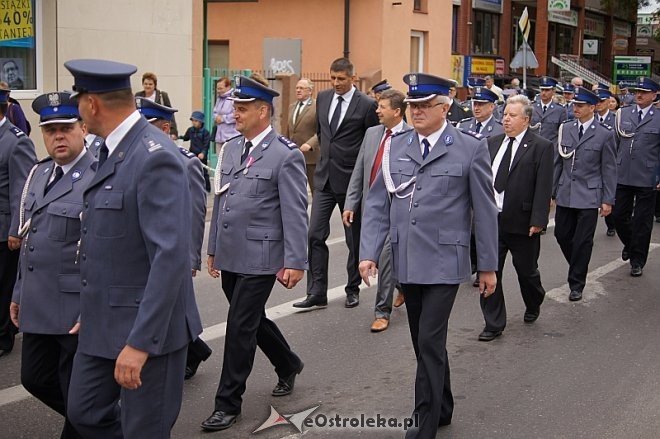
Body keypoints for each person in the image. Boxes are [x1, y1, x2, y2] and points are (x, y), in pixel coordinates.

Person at [63, 59, 202, 438]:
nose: (78, 112)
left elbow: (170, 257)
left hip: (148, 328)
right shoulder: (112, 150)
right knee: (84, 410)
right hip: (102, 321)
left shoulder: (155, 157)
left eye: (78, 102)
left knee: (145, 429)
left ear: (91, 104)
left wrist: (140, 344)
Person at [359, 73, 498, 438]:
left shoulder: (469, 147)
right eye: (412, 106)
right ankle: (444, 405)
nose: (416, 112)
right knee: (424, 341)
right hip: (407, 260)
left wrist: (487, 266)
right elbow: (377, 203)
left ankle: (423, 424)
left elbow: (484, 210)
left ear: (445, 106)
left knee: (429, 340)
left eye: (424, 105)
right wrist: (368, 252)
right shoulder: (396, 145)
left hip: (445, 262)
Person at [202, 75, 308, 432]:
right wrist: (213, 246)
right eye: (235, 107)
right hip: (232, 252)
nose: (235, 113)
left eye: (242, 108)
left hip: (262, 256)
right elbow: (223, 201)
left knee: (239, 326)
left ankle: (228, 403)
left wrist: (295, 260)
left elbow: (294, 211)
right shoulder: (231, 149)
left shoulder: (284, 154)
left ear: (263, 111)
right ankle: (288, 362)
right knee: (249, 319)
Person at [9, 91, 94, 439]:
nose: (57, 136)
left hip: (75, 307)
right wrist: (18, 292)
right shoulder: (40, 174)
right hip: (39, 302)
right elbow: (30, 240)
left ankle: (90, 422)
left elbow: (104, 252)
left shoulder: (98, 176)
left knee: (75, 391)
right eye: (49, 130)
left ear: (83, 128)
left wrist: (92, 307)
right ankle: (103, 422)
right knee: (34, 378)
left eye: (65, 128)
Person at [293, 57, 379, 310]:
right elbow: (322, 133)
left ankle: (352, 288)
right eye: (332, 78)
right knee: (314, 234)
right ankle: (317, 292)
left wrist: (364, 180)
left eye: (341, 79)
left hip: (352, 182)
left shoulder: (366, 105)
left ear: (352, 78)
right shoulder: (324, 98)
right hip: (324, 179)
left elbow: (371, 142)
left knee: (354, 239)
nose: (336, 83)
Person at [136, 97, 212, 380]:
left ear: (165, 127)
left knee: (173, 303)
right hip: (143, 247)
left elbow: (194, 211)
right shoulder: (133, 158)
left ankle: (190, 351)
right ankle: (194, 350)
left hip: (171, 249)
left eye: (147, 124)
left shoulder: (184, 162)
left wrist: (192, 256)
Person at [478, 94, 553, 342]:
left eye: (512, 116)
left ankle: (534, 300)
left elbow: (544, 186)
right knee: (489, 271)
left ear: (526, 119)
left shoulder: (540, 146)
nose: (506, 120)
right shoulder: (491, 143)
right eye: (505, 115)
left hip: (523, 222)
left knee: (527, 272)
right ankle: (494, 322)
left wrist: (539, 220)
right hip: (492, 221)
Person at [343, 89, 409, 333]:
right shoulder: (372, 134)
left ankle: (382, 311)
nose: (377, 110)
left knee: (385, 256)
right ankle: (401, 284)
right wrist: (351, 203)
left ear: (397, 111)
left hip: (396, 210)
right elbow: (360, 170)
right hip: (372, 208)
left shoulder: (411, 137)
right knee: (372, 254)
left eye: (382, 106)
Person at [552, 87, 617, 302]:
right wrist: (552, 192)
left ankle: (576, 283)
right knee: (561, 234)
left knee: (582, 241)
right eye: (574, 105)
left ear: (592, 107)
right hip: (566, 192)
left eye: (580, 105)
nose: (575, 108)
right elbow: (558, 163)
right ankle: (578, 265)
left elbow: (608, 168)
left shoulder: (604, 134)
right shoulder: (566, 128)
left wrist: (607, 200)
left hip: (589, 195)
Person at [0, 86, 36, 358]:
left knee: (4, 284)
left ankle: (3, 336)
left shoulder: (16, 141)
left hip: (4, 229)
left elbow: (22, 190)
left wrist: (17, 229)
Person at [612, 77, 660, 277]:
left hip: (647, 176)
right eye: (636, 91)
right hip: (623, 173)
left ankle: (637, 260)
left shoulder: (658, 117)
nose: (638, 95)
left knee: (642, 220)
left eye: (644, 92)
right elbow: (614, 144)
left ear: (654, 95)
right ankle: (631, 244)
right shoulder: (623, 114)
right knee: (619, 216)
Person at [283, 78, 320, 195]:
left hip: (311, 157)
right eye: (297, 88)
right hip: (294, 155)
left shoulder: (316, 106)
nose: (298, 90)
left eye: (301, 88)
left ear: (310, 91)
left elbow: (322, 130)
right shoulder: (292, 107)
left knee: (315, 189)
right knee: (295, 190)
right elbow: (289, 131)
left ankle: (316, 213)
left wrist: (310, 144)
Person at [134, 71, 178, 137]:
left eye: (150, 84)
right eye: (145, 84)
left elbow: (170, 114)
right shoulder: (138, 95)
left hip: (159, 128)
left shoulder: (162, 95)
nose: (147, 86)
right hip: (143, 129)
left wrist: (173, 131)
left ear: (155, 85)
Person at [530, 76, 567, 146]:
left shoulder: (560, 110)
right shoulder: (532, 107)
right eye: (542, 90)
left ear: (553, 91)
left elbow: (562, 133)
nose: (544, 93)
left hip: (550, 147)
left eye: (547, 90)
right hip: (533, 146)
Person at [180, 110, 211, 192]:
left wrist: (203, 153)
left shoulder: (205, 132)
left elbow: (206, 144)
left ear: (201, 122)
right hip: (192, 154)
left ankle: (207, 189)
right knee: (191, 170)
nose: (194, 123)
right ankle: (192, 187)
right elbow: (186, 138)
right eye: (193, 121)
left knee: (204, 172)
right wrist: (178, 137)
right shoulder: (190, 130)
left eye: (196, 121)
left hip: (201, 155)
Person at [213, 77, 240, 145]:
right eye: (217, 88)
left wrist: (223, 119)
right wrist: (216, 117)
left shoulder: (234, 98)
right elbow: (215, 112)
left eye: (220, 88)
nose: (218, 91)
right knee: (219, 155)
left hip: (231, 137)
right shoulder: (219, 98)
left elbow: (237, 115)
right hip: (219, 137)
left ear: (228, 87)